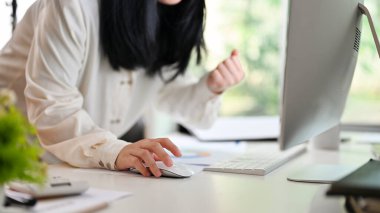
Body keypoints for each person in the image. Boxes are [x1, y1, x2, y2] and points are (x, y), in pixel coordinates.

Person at [0, 0, 244, 177]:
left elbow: (167, 92)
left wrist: (211, 88)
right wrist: (114, 151)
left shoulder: (167, 14)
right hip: (14, 160)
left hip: (74, 172)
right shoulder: (72, 5)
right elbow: (52, 108)